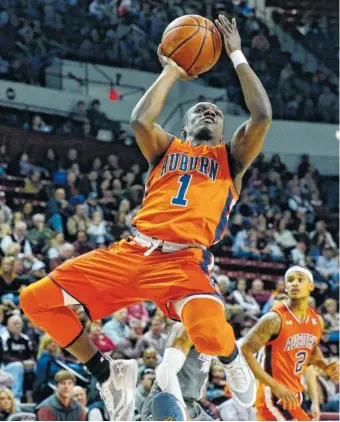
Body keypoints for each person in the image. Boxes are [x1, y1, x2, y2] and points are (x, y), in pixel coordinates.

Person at [20, 15, 272, 421]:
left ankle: (232, 359)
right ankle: (107, 372)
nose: (207, 114)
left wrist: (236, 54)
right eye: (199, 110)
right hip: (133, 252)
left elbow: (261, 116)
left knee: (208, 333)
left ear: (224, 129)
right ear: (184, 123)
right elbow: (139, 119)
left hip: (184, 262)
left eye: (215, 113)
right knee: (35, 301)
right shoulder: (164, 150)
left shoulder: (231, 159)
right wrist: (172, 68)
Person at [241, 265, 340, 421]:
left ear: (311, 286)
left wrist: (326, 367)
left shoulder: (317, 321)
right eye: (290, 280)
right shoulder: (273, 319)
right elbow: (244, 349)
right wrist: (275, 386)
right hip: (272, 396)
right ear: (286, 287)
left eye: (300, 280)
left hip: (295, 396)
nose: (294, 283)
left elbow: (310, 359)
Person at [141, 322, 214, 421]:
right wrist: (181, 410)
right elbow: (165, 370)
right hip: (168, 401)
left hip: (191, 403)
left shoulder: (214, 333)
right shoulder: (185, 328)